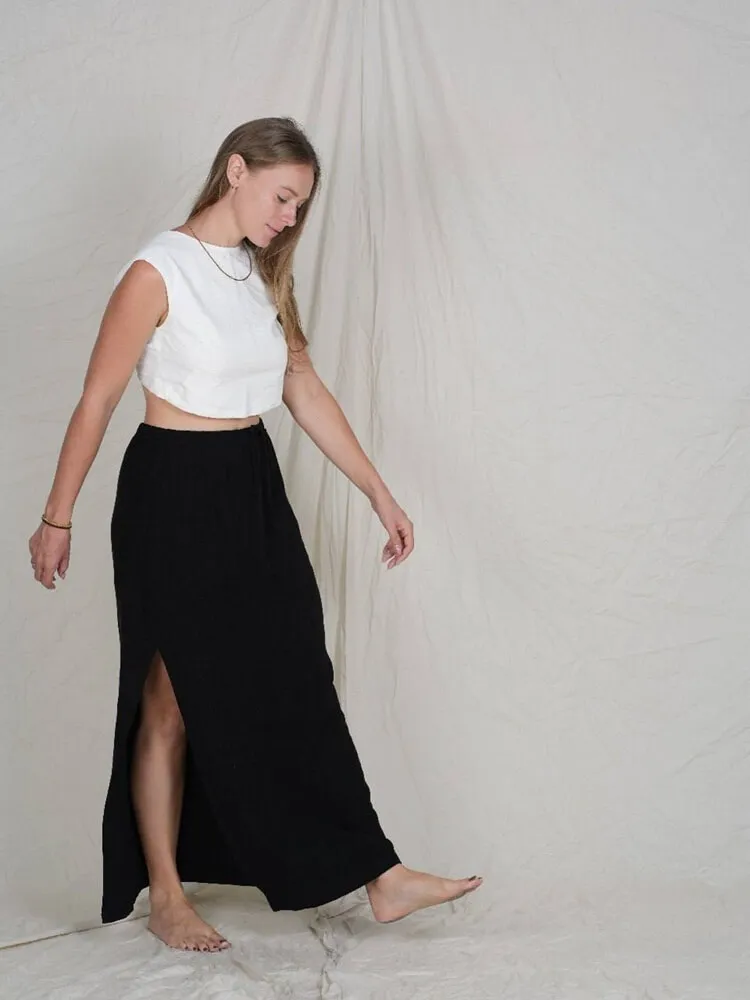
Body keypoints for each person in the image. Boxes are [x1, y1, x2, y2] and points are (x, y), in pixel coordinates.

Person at [28, 117, 483, 953]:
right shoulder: (157, 270)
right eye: (282, 197)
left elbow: (302, 386)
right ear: (235, 171)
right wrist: (58, 517)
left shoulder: (261, 274)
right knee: (169, 696)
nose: (289, 218)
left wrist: (378, 492)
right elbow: (96, 399)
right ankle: (166, 895)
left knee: (300, 671)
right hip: (172, 491)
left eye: (301, 206)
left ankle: (378, 874)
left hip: (252, 485)